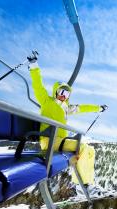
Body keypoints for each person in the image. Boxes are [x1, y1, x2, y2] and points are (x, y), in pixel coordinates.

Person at [27, 51, 107, 196]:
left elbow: (82, 107)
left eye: (67, 94)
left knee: (90, 150)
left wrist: (98, 108)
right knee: (81, 148)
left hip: (60, 141)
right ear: (55, 91)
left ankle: (87, 183)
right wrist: (34, 65)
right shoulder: (46, 101)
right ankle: (82, 186)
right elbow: (37, 85)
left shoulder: (66, 108)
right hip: (49, 141)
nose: (63, 96)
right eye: (61, 92)